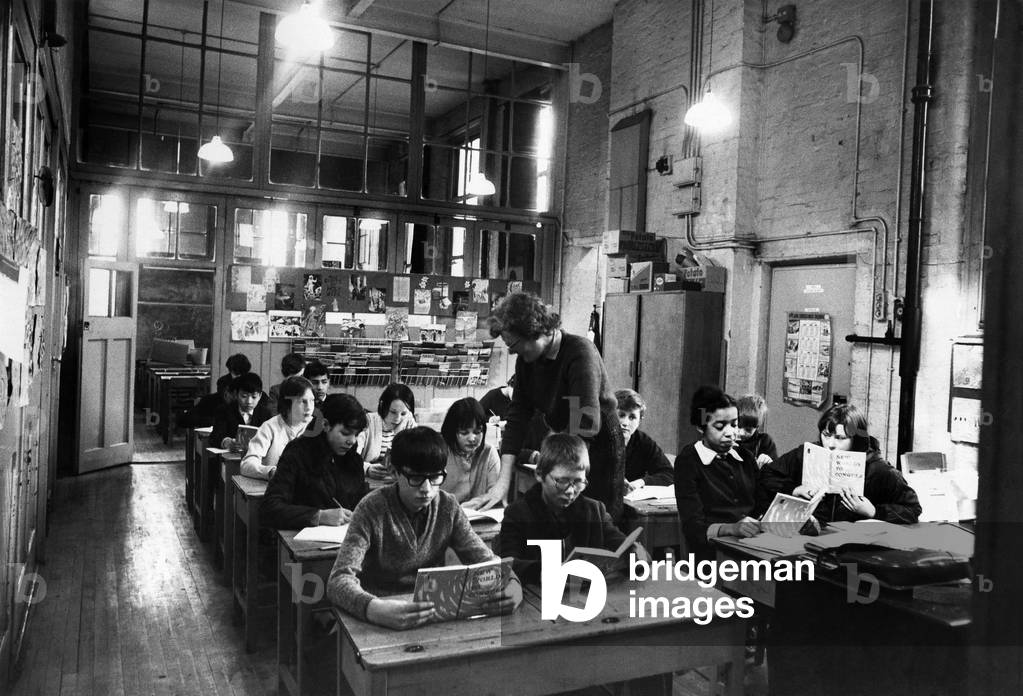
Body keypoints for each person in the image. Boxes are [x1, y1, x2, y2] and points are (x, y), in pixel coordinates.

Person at [326, 427, 522, 630]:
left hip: (430, 613)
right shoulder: (371, 509)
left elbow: (488, 561)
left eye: (436, 477)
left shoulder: (448, 507)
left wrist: (514, 587)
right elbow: (338, 580)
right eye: (416, 478)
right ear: (394, 472)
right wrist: (374, 608)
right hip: (381, 615)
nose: (427, 489)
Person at [483, 293, 626, 522]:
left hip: (596, 449)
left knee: (594, 523)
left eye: (514, 346)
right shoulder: (527, 362)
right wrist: (502, 483)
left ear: (534, 331)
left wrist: (562, 478)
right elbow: (518, 417)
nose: (512, 353)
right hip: (566, 443)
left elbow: (584, 423)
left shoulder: (580, 352)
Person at [498, 433, 649, 584]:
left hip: (588, 599)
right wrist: (548, 572)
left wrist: (636, 555)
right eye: (562, 481)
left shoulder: (595, 511)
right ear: (539, 474)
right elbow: (507, 563)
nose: (571, 491)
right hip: (537, 600)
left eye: (578, 482)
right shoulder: (517, 514)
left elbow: (622, 545)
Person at [757, 403, 922, 525]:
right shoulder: (807, 453)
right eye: (826, 435)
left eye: (840, 438)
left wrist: (874, 512)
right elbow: (768, 474)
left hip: (854, 548)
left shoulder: (879, 469)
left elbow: (912, 510)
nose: (830, 444)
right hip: (808, 538)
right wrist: (794, 488)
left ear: (856, 439)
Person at [674, 386, 761, 561]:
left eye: (735, 424)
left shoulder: (745, 457)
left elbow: (762, 503)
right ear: (701, 427)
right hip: (711, 554)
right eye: (720, 426)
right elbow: (693, 527)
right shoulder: (689, 461)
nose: (731, 433)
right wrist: (730, 528)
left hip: (752, 545)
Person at [260, 394, 369, 529]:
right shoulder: (297, 453)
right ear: (325, 425)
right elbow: (270, 508)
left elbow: (362, 503)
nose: (352, 441)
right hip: (301, 539)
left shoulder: (353, 459)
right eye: (345, 433)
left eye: (356, 434)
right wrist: (320, 516)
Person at [240, 376, 315, 480]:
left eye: (312, 401)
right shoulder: (270, 427)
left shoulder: (317, 426)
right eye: (303, 402)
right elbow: (247, 465)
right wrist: (271, 472)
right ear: (287, 403)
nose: (309, 407)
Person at [439, 397, 501, 508]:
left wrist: (481, 500)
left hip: (478, 516)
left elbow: (494, 494)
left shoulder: (489, 452)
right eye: (464, 432)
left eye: (477, 432)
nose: (472, 438)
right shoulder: (440, 451)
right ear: (452, 431)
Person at [615, 389, 675, 491]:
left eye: (632, 417)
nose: (625, 422)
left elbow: (669, 474)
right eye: (621, 415)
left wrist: (639, 482)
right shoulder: (597, 439)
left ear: (639, 421)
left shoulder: (643, 441)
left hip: (630, 500)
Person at [358, 383, 418, 481]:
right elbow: (350, 457)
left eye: (403, 413)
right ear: (383, 406)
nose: (398, 419)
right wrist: (366, 468)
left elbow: (418, 455)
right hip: (366, 480)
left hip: (395, 480)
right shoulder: (368, 421)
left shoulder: (409, 421)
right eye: (393, 412)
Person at [210, 372, 273, 450]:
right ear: (236, 394)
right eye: (244, 396)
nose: (249, 401)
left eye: (254, 397)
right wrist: (227, 442)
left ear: (260, 396)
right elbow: (214, 438)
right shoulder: (224, 411)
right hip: (230, 458)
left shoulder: (265, 413)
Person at [735, 394, 778, 469]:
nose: (741, 433)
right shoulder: (727, 439)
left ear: (757, 427)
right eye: (738, 426)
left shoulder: (764, 441)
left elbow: (776, 475)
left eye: (748, 430)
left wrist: (769, 463)